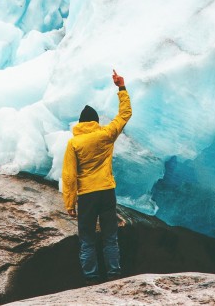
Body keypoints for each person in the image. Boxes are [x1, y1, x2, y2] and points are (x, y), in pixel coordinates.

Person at [62, 69, 132, 284]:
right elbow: (124, 115)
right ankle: (114, 273)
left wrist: (70, 202)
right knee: (110, 237)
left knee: (87, 240)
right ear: (95, 122)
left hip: (88, 195)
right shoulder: (106, 134)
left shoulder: (74, 143)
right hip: (106, 192)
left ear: (80, 124)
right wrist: (121, 87)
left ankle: (91, 278)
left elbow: (69, 175)